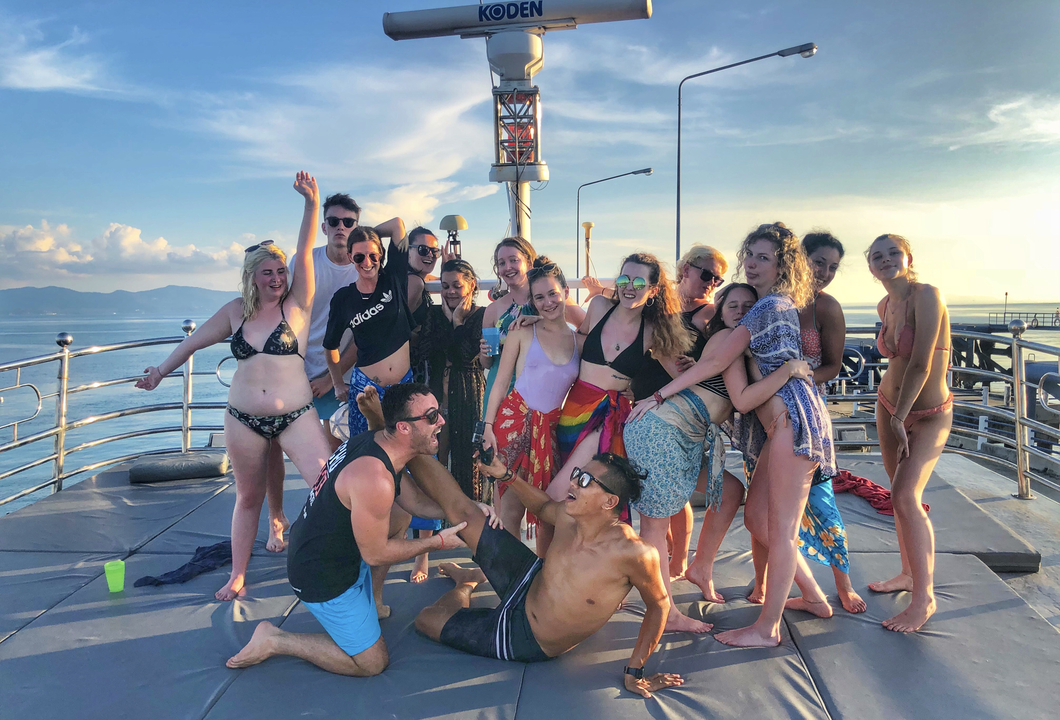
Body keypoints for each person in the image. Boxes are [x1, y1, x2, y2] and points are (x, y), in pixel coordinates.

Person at [630, 223, 835, 648]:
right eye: (751, 256)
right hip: (777, 427)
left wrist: (659, 395)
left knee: (781, 530)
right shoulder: (767, 308)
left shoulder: (771, 306)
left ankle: (767, 629)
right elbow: (728, 373)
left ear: (782, 264)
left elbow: (714, 362)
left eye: (764, 257)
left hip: (793, 424)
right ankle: (814, 598)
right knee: (759, 519)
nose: (754, 264)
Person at [137, 172, 333, 601]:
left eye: (281, 271)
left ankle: (326, 556)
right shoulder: (234, 312)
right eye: (268, 272)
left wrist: (310, 204)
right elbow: (191, 342)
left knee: (326, 483)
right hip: (242, 418)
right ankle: (238, 574)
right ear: (252, 276)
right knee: (248, 498)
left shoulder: (298, 305)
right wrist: (159, 372)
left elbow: (303, 252)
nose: (278, 278)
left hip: (297, 413)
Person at [225, 383, 497, 676]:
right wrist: (437, 543)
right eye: (431, 417)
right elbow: (376, 554)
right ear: (404, 428)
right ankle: (276, 640)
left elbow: (416, 502)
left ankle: (374, 602)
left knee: (400, 518)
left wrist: (468, 509)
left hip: (330, 547)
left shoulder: (378, 443)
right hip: (322, 576)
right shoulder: (373, 477)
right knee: (372, 663)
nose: (441, 421)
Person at [407, 448, 683, 700]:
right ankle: (404, 440)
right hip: (528, 579)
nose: (573, 482)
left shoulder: (635, 553)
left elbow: (659, 605)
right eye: (577, 474)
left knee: (426, 619)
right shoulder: (570, 514)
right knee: (466, 512)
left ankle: (464, 585)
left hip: (524, 637)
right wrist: (506, 475)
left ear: (609, 501)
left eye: (585, 481)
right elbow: (541, 507)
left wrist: (635, 670)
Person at [543, 252, 691, 552]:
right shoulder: (598, 306)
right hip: (571, 414)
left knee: (559, 493)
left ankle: (594, 568)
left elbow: (680, 377)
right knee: (590, 496)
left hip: (607, 418)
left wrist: (648, 396)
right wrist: (540, 324)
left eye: (639, 281)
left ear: (654, 290)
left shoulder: (654, 331)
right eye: (624, 278)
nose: (629, 286)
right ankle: (584, 567)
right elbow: (577, 343)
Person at [865, 233, 953, 633]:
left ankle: (925, 598)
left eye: (893, 253)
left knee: (906, 496)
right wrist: (894, 413)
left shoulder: (927, 296)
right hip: (888, 405)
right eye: (877, 256)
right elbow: (895, 362)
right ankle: (907, 572)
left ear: (908, 257)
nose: (885, 260)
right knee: (896, 494)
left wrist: (901, 418)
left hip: (929, 413)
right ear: (870, 266)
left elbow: (919, 364)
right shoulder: (885, 304)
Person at [480, 259, 580, 554]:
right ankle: (512, 582)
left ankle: (543, 579)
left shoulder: (580, 340)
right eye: (539, 297)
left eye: (552, 293)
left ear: (564, 291)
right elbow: (499, 383)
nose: (548, 302)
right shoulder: (522, 332)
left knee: (548, 511)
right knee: (510, 510)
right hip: (513, 423)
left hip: (550, 431)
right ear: (532, 302)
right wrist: (486, 427)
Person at [796, 231, 865, 614]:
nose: (824, 272)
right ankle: (765, 580)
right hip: (765, 414)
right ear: (799, 258)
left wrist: (795, 379)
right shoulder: (771, 299)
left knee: (821, 500)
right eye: (818, 261)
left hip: (808, 411)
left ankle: (843, 583)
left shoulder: (827, 307)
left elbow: (833, 366)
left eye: (832, 266)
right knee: (766, 497)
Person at [411, 258, 486, 582]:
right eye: (446, 286)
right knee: (430, 467)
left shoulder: (480, 315)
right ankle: (422, 554)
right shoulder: (431, 315)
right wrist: (448, 323)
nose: (452, 291)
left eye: (458, 285)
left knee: (471, 465)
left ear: (471, 285)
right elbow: (423, 351)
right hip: (434, 400)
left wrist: (456, 322)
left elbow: (466, 354)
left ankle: (471, 535)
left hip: (468, 395)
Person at [322, 218, 409, 437]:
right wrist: (337, 383)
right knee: (367, 453)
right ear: (351, 257)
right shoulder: (343, 298)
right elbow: (330, 345)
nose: (367, 262)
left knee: (412, 455)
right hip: (365, 389)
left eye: (373, 255)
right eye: (359, 256)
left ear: (381, 254)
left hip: (403, 386)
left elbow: (397, 225)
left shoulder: (394, 278)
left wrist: (365, 233)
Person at [289, 192, 361, 450]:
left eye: (348, 222)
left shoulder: (363, 268)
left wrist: (333, 378)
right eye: (333, 221)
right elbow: (285, 316)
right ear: (323, 227)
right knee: (305, 450)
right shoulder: (303, 263)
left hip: (345, 373)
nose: (340, 227)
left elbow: (364, 335)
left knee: (337, 450)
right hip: (302, 373)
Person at [480, 237, 585, 405]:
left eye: (513, 260)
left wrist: (539, 322)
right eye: (501, 263)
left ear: (528, 262)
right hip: (499, 391)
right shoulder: (493, 309)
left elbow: (588, 330)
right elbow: (487, 363)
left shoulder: (551, 300)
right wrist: (484, 353)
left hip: (539, 392)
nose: (507, 267)